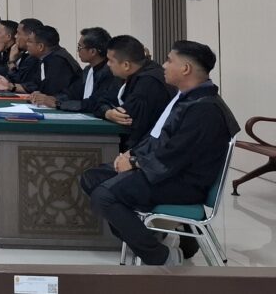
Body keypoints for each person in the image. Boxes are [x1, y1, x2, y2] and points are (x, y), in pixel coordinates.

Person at [80, 40, 240, 266]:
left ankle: (160, 256)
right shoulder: (188, 97)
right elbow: (160, 138)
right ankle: (146, 237)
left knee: (104, 196)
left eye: (169, 60)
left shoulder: (205, 109)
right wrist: (132, 154)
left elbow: (175, 155)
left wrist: (134, 162)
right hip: (166, 171)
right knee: (92, 177)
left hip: (183, 182)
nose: (163, 65)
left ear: (185, 69)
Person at [95, 34, 176, 152]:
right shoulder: (127, 75)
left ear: (126, 65)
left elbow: (128, 120)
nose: (108, 64)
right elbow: (100, 100)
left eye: (111, 61)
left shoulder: (148, 83)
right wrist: (107, 113)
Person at [30, 27, 119, 111]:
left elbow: (94, 103)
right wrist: (52, 98)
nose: (77, 51)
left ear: (92, 51)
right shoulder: (88, 70)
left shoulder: (110, 72)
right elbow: (72, 93)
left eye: (79, 47)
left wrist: (58, 103)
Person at [0, 25, 77, 96]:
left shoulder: (58, 61)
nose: (27, 44)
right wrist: (10, 86)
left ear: (40, 47)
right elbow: (35, 85)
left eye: (29, 41)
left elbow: (51, 94)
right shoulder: (45, 58)